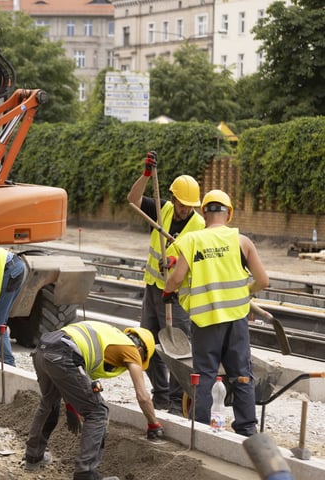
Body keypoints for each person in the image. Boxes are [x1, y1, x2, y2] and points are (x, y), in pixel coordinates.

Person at [163, 190, 269, 437]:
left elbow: (176, 279)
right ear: (229, 214)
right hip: (236, 320)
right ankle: (246, 427)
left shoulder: (191, 241)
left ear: (203, 213)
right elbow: (263, 280)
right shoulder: (242, 241)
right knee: (241, 374)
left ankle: (200, 427)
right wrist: (247, 291)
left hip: (206, 321)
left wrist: (167, 290)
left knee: (205, 375)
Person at [24, 321, 162, 479]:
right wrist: (153, 424)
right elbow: (143, 396)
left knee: (49, 402)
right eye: (143, 357)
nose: (139, 360)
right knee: (97, 412)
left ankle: (33, 456)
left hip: (43, 348)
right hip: (64, 352)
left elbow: (75, 383)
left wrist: (71, 406)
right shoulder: (131, 349)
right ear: (140, 350)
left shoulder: (112, 337)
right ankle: (86, 473)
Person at [127, 151, 204, 413]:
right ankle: (160, 394)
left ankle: (174, 402)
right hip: (153, 290)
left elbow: (200, 262)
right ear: (172, 198)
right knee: (146, 345)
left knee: (178, 348)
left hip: (178, 296)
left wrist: (176, 264)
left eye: (189, 205)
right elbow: (133, 200)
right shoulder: (164, 208)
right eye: (181, 203)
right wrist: (146, 175)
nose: (184, 209)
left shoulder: (200, 226)